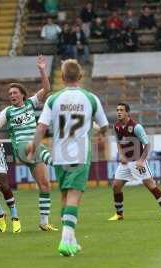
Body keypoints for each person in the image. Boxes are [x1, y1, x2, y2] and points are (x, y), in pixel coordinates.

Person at [27, 59, 109, 256]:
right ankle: (65, 239)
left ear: (62, 77)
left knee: (65, 196)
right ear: (80, 77)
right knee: (74, 196)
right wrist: (100, 133)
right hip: (80, 153)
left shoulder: (53, 99)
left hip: (59, 154)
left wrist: (33, 146)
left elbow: (41, 127)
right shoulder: (90, 98)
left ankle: (71, 241)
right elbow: (104, 125)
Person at [0, 56, 57, 232]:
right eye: (10, 94)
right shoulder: (8, 111)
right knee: (41, 150)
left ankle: (44, 222)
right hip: (22, 147)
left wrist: (42, 69)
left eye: (14, 93)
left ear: (22, 94)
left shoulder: (30, 103)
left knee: (45, 185)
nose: (12, 95)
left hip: (33, 149)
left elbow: (47, 88)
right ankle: (61, 164)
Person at [108, 103, 161, 221]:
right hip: (125, 163)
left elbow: (147, 144)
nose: (118, 112)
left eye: (121, 110)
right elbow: (118, 142)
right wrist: (121, 155)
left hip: (137, 161)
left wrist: (141, 160)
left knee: (150, 184)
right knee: (116, 186)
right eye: (117, 110)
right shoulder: (116, 126)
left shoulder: (136, 127)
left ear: (127, 112)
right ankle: (119, 214)